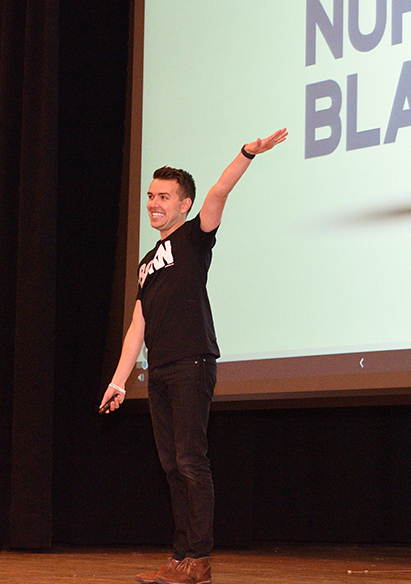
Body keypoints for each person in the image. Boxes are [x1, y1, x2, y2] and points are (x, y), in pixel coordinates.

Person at [100, 128, 288, 584]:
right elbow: (137, 327)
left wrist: (247, 153)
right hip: (160, 370)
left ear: (185, 204)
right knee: (171, 465)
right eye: (149, 196)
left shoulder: (194, 237)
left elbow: (221, 189)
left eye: (163, 197)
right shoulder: (148, 260)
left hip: (193, 363)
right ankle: (181, 556)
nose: (153, 204)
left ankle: (198, 559)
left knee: (190, 461)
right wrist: (119, 380)